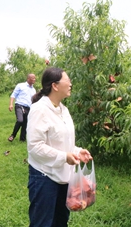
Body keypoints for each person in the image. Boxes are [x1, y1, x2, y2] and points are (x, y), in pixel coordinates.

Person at [27, 67, 92, 227]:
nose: (70, 84)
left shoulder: (64, 110)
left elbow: (64, 142)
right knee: (42, 223)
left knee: (61, 221)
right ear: (55, 85)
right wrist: (65, 157)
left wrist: (77, 151)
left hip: (64, 177)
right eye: (67, 80)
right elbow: (35, 147)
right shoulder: (39, 110)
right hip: (44, 176)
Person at [8, 74, 36, 142]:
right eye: (33, 78)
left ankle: (22, 139)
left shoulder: (33, 90)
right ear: (28, 79)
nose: (34, 80)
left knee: (25, 124)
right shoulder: (20, 85)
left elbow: (34, 101)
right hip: (19, 105)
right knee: (20, 120)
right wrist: (11, 104)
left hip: (28, 108)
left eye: (35, 78)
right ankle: (12, 135)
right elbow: (13, 95)